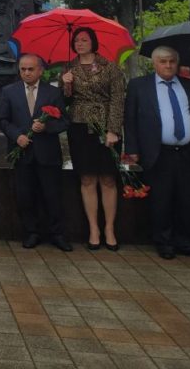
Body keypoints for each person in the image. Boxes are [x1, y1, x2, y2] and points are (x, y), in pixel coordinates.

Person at [124, 46, 190, 261]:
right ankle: (164, 243)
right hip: (158, 152)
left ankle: (188, 242)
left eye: (172, 61)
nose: (168, 65)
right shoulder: (139, 86)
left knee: (188, 199)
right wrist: (132, 149)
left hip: (188, 153)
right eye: (163, 61)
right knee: (161, 200)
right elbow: (130, 119)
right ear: (154, 63)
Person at [0, 54, 72, 251]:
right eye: (23, 69)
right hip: (22, 152)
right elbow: (3, 120)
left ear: (40, 71)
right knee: (25, 195)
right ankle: (32, 232)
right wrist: (17, 136)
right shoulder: (9, 91)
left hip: (48, 154)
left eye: (31, 69)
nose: (27, 73)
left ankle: (57, 234)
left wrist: (47, 127)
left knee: (52, 195)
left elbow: (64, 121)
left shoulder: (53, 93)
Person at [61, 26, 125, 251]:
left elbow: (118, 99)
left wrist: (113, 129)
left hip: (106, 127)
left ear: (93, 42)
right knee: (87, 179)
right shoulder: (69, 68)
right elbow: (64, 102)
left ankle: (109, 228)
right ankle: (93, 229)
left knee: (108, 179)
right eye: (76, 40)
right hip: (80, 128)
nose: (79, 44)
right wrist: (66, 84)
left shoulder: (110, 67)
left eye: (84, 40)